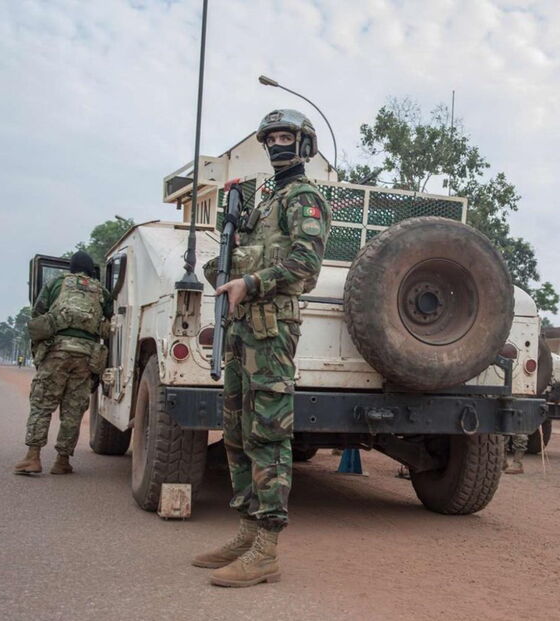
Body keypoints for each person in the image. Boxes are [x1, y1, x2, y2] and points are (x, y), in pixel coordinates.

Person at [195, 109, 331, 588]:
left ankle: (267, 549)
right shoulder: (265, 200)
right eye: (271, 137)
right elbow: (231, 260)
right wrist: (221, 271)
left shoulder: (305, 198)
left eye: (285, 137)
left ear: (304, 145)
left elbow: (304, 267)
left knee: (269, 434)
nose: (276, 145)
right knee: (236, 431)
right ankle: (246, 532)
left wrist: (251, 281)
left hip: (271, 332)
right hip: (241, 330)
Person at [13, 251, 112, 476]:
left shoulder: (56, 283)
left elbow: (38, 314)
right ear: (91, 271)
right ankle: (62, 461)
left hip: (56, 352)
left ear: (71, 269)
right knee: (73, 409)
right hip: (87, 356)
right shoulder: (102, 291)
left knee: (42, 404)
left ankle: (33, 457)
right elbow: (110, 320)